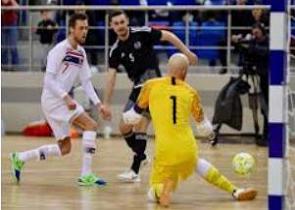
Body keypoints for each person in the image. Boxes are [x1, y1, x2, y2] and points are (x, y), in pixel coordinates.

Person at [123, 53, 257, 207]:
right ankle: (235, 190)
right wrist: (211, 135)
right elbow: (204, 128)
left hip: (164, 150)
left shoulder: (150, 85)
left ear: (168, 68)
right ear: (184, 72)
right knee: (197, 163)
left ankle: (162, 191)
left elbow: (132, 117)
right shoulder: (191, 91)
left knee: (152, 193)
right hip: (187, 146)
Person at [10, 13, 111, 186]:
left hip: (59, 101)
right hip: (54, 100)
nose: (85, 31)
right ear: (72, 29)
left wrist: (99, 104)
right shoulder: (59, 50)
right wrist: (65, 97)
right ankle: (86, 175)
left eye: (86, 28)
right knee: (91, 125)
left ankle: (20, 158)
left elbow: (86, 82)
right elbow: (48, 80)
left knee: (65, 148)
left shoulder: (81, 53)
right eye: (81, 28)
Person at [103, 10, 197, 182]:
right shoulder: (115, 51)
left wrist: (187, 53)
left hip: (154, 85)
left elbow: (168, 36)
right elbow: (111, 77)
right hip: (138, 87)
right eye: (116, 24)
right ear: (111, 26)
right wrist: (106, 103)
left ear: (127, 21)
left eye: (122, 22)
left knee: (140, 125)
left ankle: (135, 169)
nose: (120, 26)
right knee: (124, 127)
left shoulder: (142, 33)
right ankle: (141, 156)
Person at [1, 0, 19, 70]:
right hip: (2, 24)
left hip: (12, 23)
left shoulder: (12, 0)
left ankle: (15, 66)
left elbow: (18, 9)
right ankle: (4, 66)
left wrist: (12, 2)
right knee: (3, 47)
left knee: (13, 46)